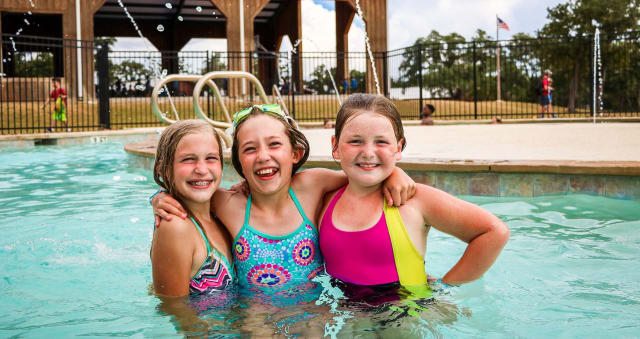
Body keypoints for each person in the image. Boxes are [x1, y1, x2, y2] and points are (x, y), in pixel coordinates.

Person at [152, 104, 415, 291]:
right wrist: (159, 197)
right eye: (250, 149)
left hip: (315, 319)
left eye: (274, 144)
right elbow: (191, 195)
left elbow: (361, 172)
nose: (263, 156)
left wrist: (394, 172)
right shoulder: (228, 204)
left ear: (295, 153)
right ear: (240, 164)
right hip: (256, 324)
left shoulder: (311, 187)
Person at [318, 94, 509, 292]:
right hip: (341, 313)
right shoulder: (324, 199)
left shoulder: (414, 200)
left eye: (381, 142)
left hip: (402, 316)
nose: (368, 152)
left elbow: (494, 232)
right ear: (335, 146)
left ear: (398, 148)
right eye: (355, 141)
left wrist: (447, 288)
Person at [150, 119, 234, 297]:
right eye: (188, 159)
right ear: (163, 169)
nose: (202, 169)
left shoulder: (222, 212)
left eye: (211, 158)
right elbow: (176, 311)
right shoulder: (176, 227)